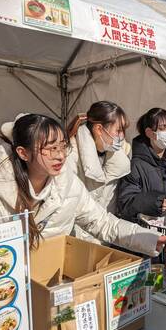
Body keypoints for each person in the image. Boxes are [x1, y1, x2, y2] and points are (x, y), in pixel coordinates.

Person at [0, 113, 166, 275]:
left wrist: (147, 238)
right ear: (23, 153)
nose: (59, 156)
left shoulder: (67, 184)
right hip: (4, 300)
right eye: (49, 148)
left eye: (62, 146)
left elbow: (102, 222)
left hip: (50, 283)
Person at [65, 101, 131, 242]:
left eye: (123, 131)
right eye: (118, 131)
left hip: (105, 234)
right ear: (99, 129)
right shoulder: (70, 154)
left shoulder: (120, 152)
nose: (122, 136)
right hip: (76, 239)